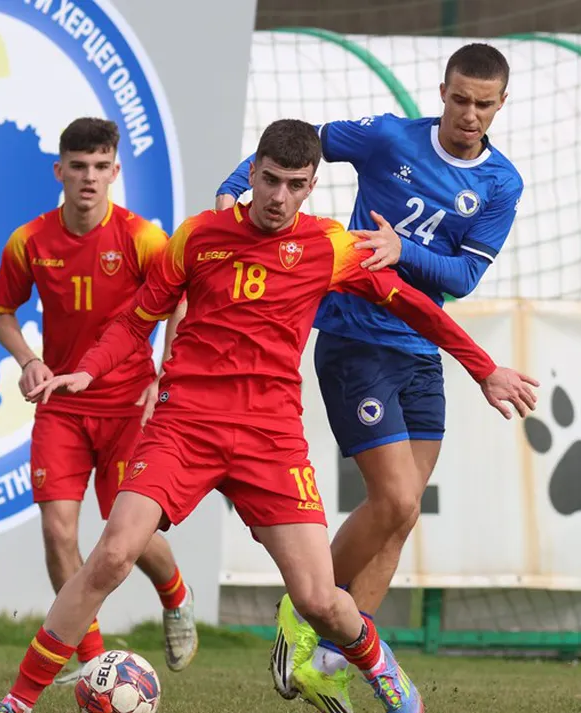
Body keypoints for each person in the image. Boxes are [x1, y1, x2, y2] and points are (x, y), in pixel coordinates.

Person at [0, 119, 537, 713]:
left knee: (318, 598)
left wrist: (484, 368)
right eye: (269, 181)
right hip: (184, 426)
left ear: (312, 185)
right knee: (112, 554)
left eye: (294, 185)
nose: (278, 197)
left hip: (270, 438)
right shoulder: (198, 237)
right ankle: (16, 703)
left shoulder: (333, 247)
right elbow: (137, 320)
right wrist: (90, 368)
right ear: (253, 172)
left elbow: (419, 309)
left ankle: (382, 668)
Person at [215, 42, 521, 710]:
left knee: (399, 518)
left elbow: (463, 277)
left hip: (420, 349)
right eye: (460, 98)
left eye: (483, 104)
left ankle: (329, 657)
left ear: (502, 105)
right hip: (354, 337)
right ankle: (305, 608)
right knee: (397, 501)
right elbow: (300, 145)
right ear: (441, 91)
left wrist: (401, 248)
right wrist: (234, 189)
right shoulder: (387, 139)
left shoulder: (501, 184)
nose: (469, 114)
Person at [0, 117, 198, 684]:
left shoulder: (142, 239)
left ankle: (175, 595)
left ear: (115, 171)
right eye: (78, 166)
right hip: (61, 403)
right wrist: (29, 359)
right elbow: (1, 311)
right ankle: (93, 659)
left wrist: (165, 374)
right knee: (58, 531)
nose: (89, 177)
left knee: (126, 536)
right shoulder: (29, 241)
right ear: (59, 170)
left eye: (100, 167)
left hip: (130, 407)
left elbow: (178, 302)